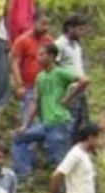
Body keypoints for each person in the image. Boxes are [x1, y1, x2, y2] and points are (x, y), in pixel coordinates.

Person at [12, 43, 89, 179]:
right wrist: (26, 125)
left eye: (42, 54)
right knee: (19, 138)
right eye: (38, 54)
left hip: (60, 122)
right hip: (46, 123)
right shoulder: (40, 76)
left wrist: (68, 98)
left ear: (52, 56)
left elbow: (84, 80)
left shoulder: (60, 72)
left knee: (60, 161)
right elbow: (36, 102)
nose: (39, 57)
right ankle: (24, 174)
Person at [10, 11, 52, 124]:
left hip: (45, 86)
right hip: (28, 86)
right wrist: (19, 85)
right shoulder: (22, 40)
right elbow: (15, 64)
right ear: (34, 22)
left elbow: (52, 63)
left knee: (46, 118)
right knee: (27, 118)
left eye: (48, 24)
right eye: (43, 24)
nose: (46, 27)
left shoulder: (48, 41)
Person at [55, 14, 87, 134]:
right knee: (69, 123)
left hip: (80, 88)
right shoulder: (60, 44)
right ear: (70, 28)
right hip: (68, 90)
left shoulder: (77, 46)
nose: (82, 32)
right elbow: (55, 66)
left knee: (81, 122)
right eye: (80, 29)